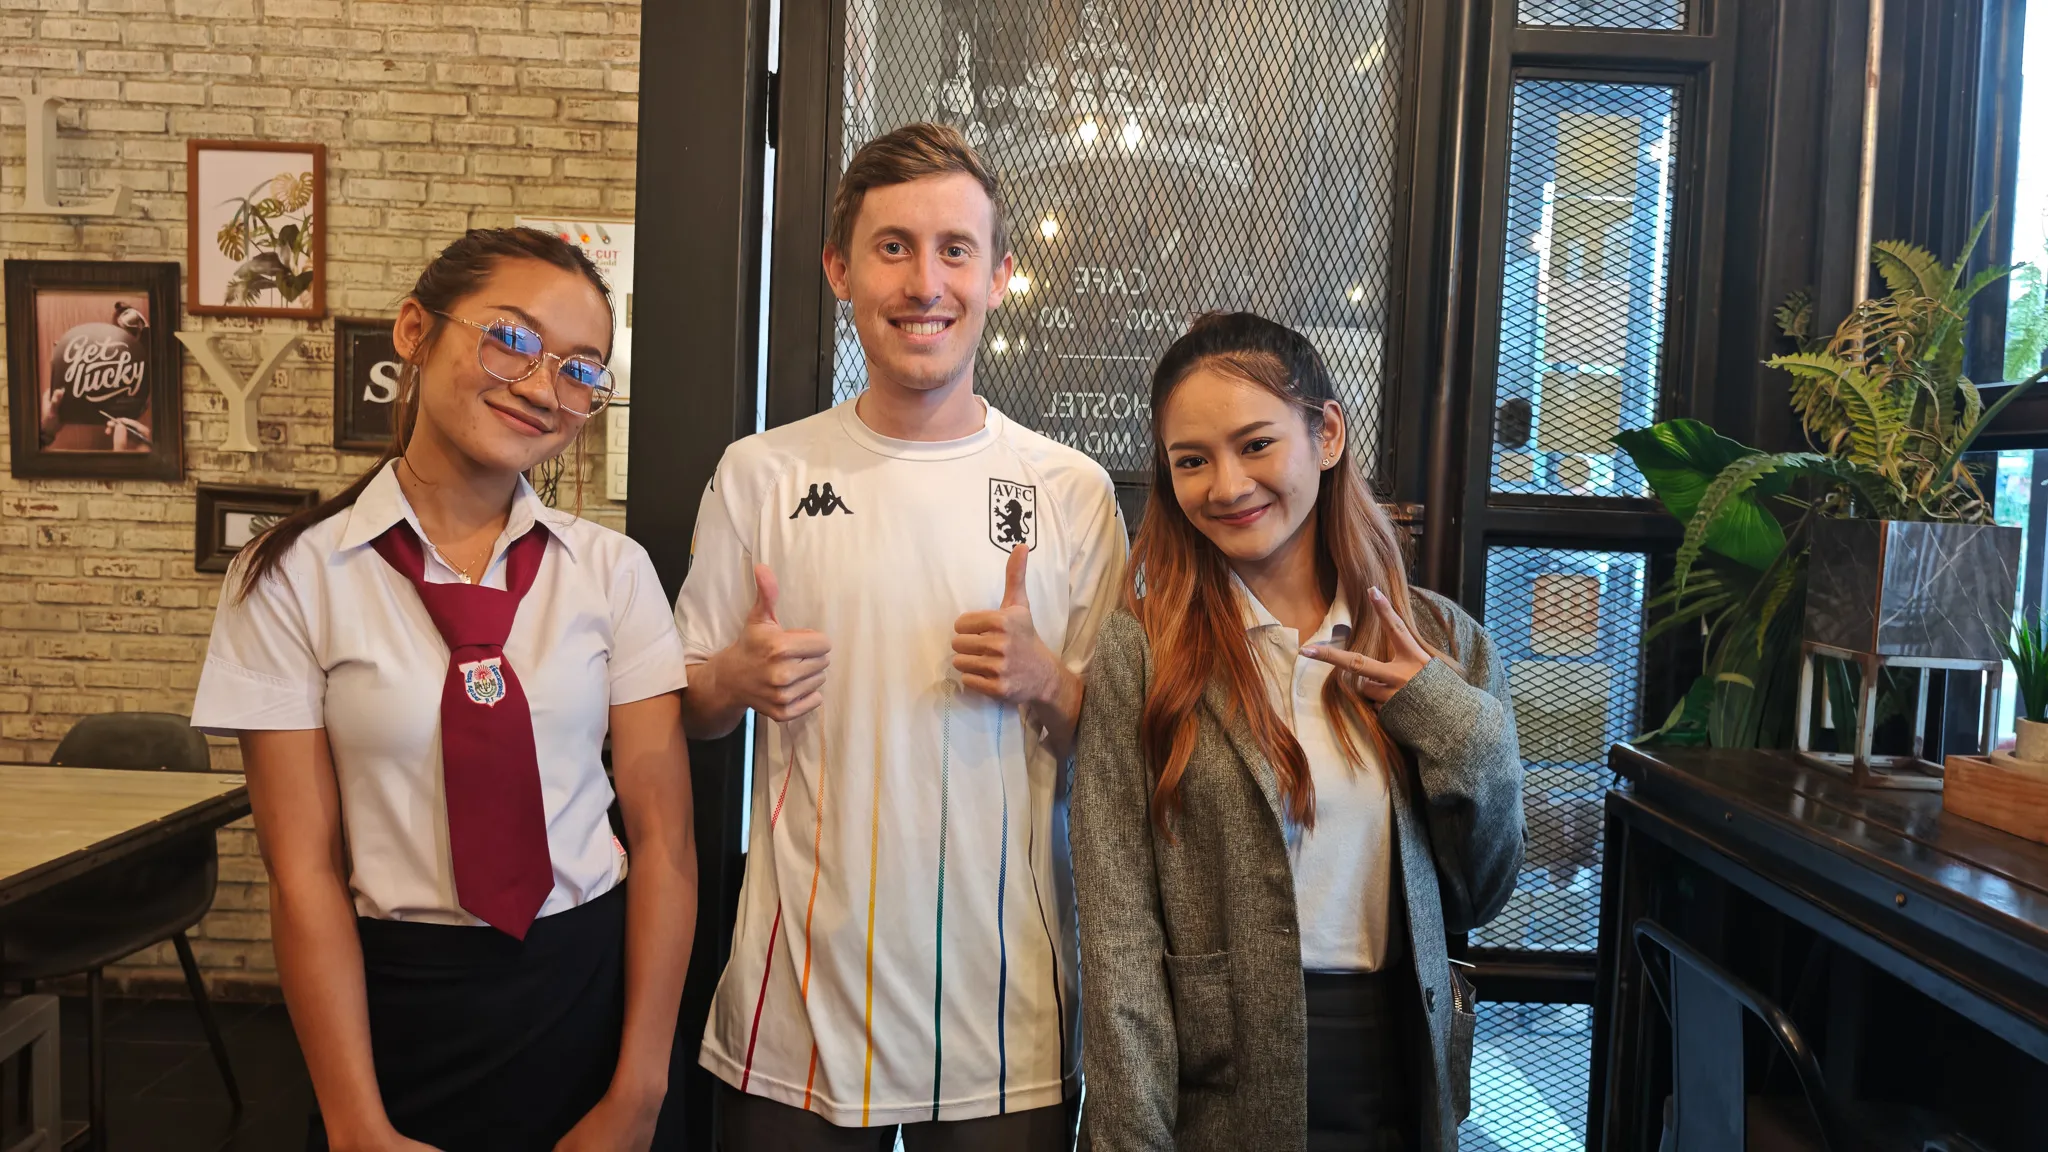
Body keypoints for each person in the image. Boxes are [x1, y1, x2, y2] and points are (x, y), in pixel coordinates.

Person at [190, 228, 697, 1152]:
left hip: (588, 989)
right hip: (396, 1006)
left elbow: (664, 843)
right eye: (512, 339)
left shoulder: (613, 573)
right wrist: (356, 1123)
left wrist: (639, 1094)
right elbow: (302, 873)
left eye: (580, 369)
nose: (543, 387)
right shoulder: (292, 577)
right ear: (415, 332)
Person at [674, 122, 1128, 1149]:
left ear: (997, 276)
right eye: (893, 247)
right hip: (795, 1009)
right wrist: (734, 678)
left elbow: (1122, 758)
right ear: (840, 269)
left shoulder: (1069, 491)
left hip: (1005, 1014)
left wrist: (1047, 681)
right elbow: (689, 708)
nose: (926, 283)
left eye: (954, 250)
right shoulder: (761, 473)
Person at [1071, 312, 1525, 1151]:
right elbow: (1118, 936)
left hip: (1397, 1074)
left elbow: (1481, 893)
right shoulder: (1144, 651)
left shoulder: (1440, 640)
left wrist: (1440, 711)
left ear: (1327, 435)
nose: (1226, 485)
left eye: (1255, 445)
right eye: (1191, 461)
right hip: (1221, 1090)